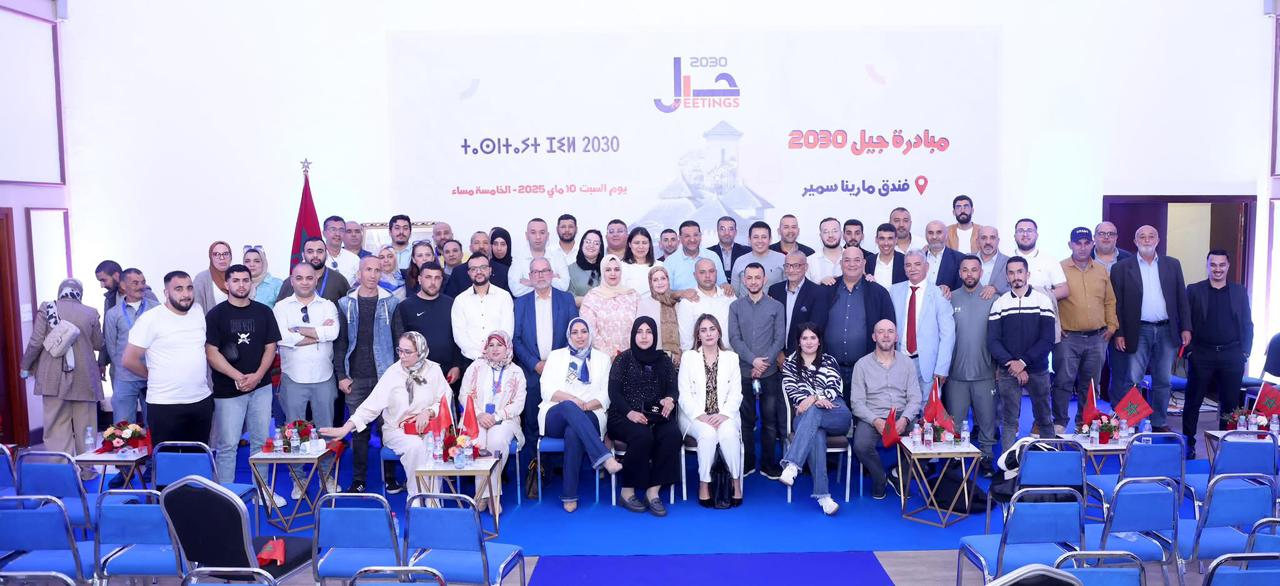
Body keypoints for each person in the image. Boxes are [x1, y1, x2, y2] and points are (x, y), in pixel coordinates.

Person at [319, 331, 451, 498]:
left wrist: (429, 411)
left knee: (431, 446)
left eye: (407, 352)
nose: (402, 356)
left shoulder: (434, 370)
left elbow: (445, 399)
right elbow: (370, 406)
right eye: (399, 350)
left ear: (421, 351)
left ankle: (432, 501)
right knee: (415, 446)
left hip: (428, 428)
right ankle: (417, 499)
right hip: (397, 430)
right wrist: (346, 428)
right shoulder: (392, 373)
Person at [204, 264, 281, 495]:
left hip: (261, 387)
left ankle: (262, 491)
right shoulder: (215, 315)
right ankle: (225, 494)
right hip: (228, 390)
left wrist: (257, 376)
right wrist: (238, 377)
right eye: (235, 280)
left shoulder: (264, 312)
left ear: (251, 283)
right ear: (226, 284)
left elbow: (271, 347)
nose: (241, 285)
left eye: (245, 280)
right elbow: (211, 352)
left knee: (261, 442)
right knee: (228, 445)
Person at [1110, 225, 1191, 431]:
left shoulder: (1172, 264)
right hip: (1136, 331)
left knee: (1163, 380)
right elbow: (1116, 304)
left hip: (1167, 330)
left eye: (1151, 236)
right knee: (1133, 380)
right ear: (1135, 242)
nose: (1147, 240)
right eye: (1142, 237)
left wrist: (1186, 327)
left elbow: (1181, 298)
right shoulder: (1121, 268)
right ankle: (1131, 423)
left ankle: (1159, 423)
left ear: (1158, 240)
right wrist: (1119, 332)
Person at [334, 256, 405, 492]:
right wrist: (342, 376)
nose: (373, 274)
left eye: (377, 270)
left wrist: (399, 377)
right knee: (358, 431)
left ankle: (391, 478)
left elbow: (399, 340)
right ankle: (359, 480)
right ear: (359, 273)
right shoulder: (345, 304)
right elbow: (340, 343)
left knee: (389, 428)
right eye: (368, 270)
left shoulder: (391, 303)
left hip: (386, 377)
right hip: (355, 378)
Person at [537, 318, 622, 512]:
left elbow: (606, 394)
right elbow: (546, 390)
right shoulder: (556, 356)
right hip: (556, 413)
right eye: (574, 332)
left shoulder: (602, 359)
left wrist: (584, 406)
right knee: (568, 407)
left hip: (591, 412)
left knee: (573, 432)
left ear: (590, 334)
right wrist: (573, 401)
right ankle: (604, 457)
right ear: (569, 335)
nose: (579, 336)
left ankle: (569, 495)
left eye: (583, 331)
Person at [273, 262, 342, 494]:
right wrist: (319, 333)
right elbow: (282, 338)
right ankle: (298, 479)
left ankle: (326, 476)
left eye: (309, 278)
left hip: (324, 377)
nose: (304, 282)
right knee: (294, 432)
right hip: (293, 377)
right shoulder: (281, 307)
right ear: (292, 280)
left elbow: (333, 333)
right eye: (299, 278)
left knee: (326, 430)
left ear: (316, 280)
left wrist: (298, 330)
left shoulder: (328, 305)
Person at [123, 271, 214, 446]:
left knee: (198, 458)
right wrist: (154, 375)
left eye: (189, 288)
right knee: (168, 459)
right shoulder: (150, 319)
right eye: (178, 289)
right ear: (166, 292)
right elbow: (129, 360)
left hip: (201, 401)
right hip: (165, 404)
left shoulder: (197, 311)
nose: (186, 294)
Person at [20, 279, 104, 470]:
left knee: (56, 426)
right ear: (80, 293)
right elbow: (98, 344)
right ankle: (87, 470)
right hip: (85, 378)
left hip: (53, 377)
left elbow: (36, 342)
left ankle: (63, 472)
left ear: (60, 292)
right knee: (87, 427)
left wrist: (26, 366)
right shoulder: (91, 312)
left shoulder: (47, 308)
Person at [607, 317, 681, 516]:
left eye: (649, 332)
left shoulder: (664, 360)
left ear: (655, 335)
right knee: (642, 435)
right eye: (640, 331)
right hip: (623, 415)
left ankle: (653, 491)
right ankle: (627, 491)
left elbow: (673, 389)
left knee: (672, 434)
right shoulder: (623, 359)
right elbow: (614, 393)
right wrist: (630, 413)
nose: (644, 336)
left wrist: (670, 399)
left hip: (654, 415)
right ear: (633, 335)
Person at [1184, 249, 1253, 458]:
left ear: (1228, 266)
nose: (1217, 269)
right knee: (1193, 401)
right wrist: (1190, 352)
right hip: (1202, 353)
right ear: (1207, 266)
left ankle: (1225, 444)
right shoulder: (1194, 290)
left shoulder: (1239, 291)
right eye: (1213, 265)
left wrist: (1245, 353)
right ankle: (1189, 443)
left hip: (1232, 354)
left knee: (1230, 403)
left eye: (1222, 265)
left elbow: (1247, 323)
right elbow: (1185, 321)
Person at [777, 323, 852, 514]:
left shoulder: (829, 360)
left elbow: (835, 387)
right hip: (804, 416)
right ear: (798, 342)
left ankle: (792, 464)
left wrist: (814, 398)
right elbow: (793, 392)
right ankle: (823, 496)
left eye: (813, 338)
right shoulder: (790, 364)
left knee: (815, 413)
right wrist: (814, 402)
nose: (809, 342)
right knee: (816, 432)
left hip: (835, 412)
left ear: (819, 341)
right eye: (804, 338)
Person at [988, 256, 1058, 452]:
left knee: (1044, 418)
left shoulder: (1043, 301)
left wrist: (1023, 362)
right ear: (1007, 276)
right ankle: (1008, 464)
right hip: (1008, 371)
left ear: (1028, 274)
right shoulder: (1000, 303)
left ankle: (1051, 461)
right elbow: (993, 341)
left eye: (1020, 272)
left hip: (1038, 370)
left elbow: (1047, 340)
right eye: (1011, 273)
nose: (1016, 276)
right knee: (1009, 420)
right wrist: (1013, 364)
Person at [512, 256, 579, 458]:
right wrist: (534, 364)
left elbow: (574, 335)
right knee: (532, 422)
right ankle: (535, 466)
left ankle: (557, 466)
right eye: (536, 272)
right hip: (532, 372)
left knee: (560, 421)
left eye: (544, 271)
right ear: (530, 276)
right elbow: (516, 339)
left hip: (560, 372)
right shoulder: (520, 303)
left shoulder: (566, 299)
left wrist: (555, 363)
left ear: (552, 274)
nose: (540, 275)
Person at [1053, 227, 1118, 433]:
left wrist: (1112, 326)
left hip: (1097, 338)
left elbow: (1110, 301)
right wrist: (1056, 326)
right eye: (1077, 243)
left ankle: (1084, 424)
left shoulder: (1101, 270)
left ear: (1092, 244)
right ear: (1070, 245)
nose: (1082, 247)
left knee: (1090, 385)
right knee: (1063, 382)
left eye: (1086, 243)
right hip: (1068, 338)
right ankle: (1059, 423)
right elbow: (1049, 300)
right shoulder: (1058, 268)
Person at [849, 319, 921, 499]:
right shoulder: (862, 365)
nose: (886, 335)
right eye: (881, 331)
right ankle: (880, 477)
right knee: (861, 445)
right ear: (874, 337)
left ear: (896, 337)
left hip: (902, 414)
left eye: (890, 331)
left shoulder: (907, 363)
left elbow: (915, 398)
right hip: (873, 415)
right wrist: (875, 420)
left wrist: (905, 419)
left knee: (927, 442)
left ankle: (897, 475)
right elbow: (856, 402)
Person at [678, 314, 744, 506]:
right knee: (707, 433)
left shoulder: (731, 358)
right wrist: (700, 415)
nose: (708, 334)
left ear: (719, 332)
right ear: (698, 335)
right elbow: (684, 394)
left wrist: (724, 414)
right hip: (694, 416)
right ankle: (704, 484)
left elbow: (736, 393)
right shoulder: (689, 357)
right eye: (703, 330)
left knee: (729, 433)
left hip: (725, 414)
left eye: (712, 329)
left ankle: (735, 482)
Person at [728, 263, 787, 478]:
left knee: (770, 422)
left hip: (769, 373)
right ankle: (748, 462)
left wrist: (763, 363)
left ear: (764, 280)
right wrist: (753, 361)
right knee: (746, 422)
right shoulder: (735, 307)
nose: (753, 281)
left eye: (757, 277)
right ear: (744, 280)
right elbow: (734, 338)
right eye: (749, 277)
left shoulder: (776, 307)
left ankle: (769, 464)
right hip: (744, 372)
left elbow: (779, 339)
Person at [459, 331, 526, 510]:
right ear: (486, 348)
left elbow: (518, 404)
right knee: (478, 442)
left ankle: (484, 494)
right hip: (476, 418)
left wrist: (496, 416)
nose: (495, 349)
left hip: (505, 420)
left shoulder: (517, 372)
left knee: (496, 442)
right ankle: (490, 495)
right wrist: (479, 414)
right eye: (491, 345)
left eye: (499, 345)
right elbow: (463, 395)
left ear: (507, 348)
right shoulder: (476, 367)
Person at [947, 256, 998, 473]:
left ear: (981, 273)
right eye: (965, 270)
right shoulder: (949, 298)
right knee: (955, 421)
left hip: (985, 373)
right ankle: (955, 455)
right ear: (960, 273)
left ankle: (986, 456)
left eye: (974, 270)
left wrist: (998, 367)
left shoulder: (993, 298)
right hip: (955, 374)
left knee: (987, 421)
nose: (970, 274)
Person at [825, 247, 896, 402]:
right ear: (841, 263)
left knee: (863, 414)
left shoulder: (879, 293)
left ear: (864, 263)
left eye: (857, 260)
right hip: (829, 371)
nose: (852, 264)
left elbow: (890, 331)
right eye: (847, 260)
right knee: (834, 414)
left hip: (868, 370)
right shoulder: (826, 290)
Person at [890, 250, 956, 397]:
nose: (912, 268)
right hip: (900, 361)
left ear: (926, 267)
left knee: (928, 408)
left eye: (917, 264)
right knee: (901, 405)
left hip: (928, 365)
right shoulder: (894, 291)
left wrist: (942, 368)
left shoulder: (939, 294)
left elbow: (948, 335)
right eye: (908, 265)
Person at [103, 268, 157, 426]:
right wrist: (124, 365)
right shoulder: (113, 314)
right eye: (135, 283)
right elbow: (112, 347)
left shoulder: (156, 309)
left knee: (155, 425)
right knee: (123, 427)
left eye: (143, 282)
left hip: (152, 375)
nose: (141, 286)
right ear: (123, 285)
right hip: (125, 377)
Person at [398, 262, 462, 389]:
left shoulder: (452, 304)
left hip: (449, 372)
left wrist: (457, 365)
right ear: (419, 279)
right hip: (418, 372)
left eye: (437, 278)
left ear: (442, 280)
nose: (433, 282)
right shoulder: (405, 306)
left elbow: (458, 336)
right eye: (428, 277)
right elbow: (400, 340)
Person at [451, 255, 515, 373]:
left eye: (483, 267)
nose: (479, 272)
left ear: (490, 270)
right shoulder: (460, 300)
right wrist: (479, 356)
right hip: (471, 361)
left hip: (500, 360)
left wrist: (494, 353)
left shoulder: (504, 296)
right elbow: (459, 335)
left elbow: (507, 331)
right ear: (468, 273)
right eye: (474, 269)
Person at [95, 260, 158, 377]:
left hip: (147, 366)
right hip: (120, 369)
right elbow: (107, 333)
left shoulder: (147, 295)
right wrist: (102, 362)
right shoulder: (110, 300)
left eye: (104, 280)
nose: (102, 285)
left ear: (116, 276)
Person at [770, 251, 830, 356]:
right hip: (776, 356)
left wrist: (791, 355)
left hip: (804, 356)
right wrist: (778, 352)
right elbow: (770, 326)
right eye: (787, 266)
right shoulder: (774, 290)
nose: (791, 270)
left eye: (796, 266)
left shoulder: (818, 293)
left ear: (806, 267)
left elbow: (815, 328)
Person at [579, 255, 640, 356]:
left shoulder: (632, 295)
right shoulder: (592, 297)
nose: (613, 273)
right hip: (602, 357)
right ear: (602, 272)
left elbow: (641, 326)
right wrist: (610, 354)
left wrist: (630, 353)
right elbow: (590, 330)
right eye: (608, 270)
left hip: (632, 355)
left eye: (617, 269)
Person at [675, 258, 736, 350]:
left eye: (711, 271)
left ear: (716, 273)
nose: (707, 276)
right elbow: (686, 340)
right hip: (699, 356)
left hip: (730, 355)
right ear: (695, 275)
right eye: (702, 272)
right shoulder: (687, 302)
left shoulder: (729, 296)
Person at [276, 237, 351, 304]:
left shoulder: (339, 280)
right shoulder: (291, 282)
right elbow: (279, 309)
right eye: (310, 251)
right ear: (303, 255)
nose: (315, 255)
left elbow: (349, 308)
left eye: (320, 251)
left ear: (326, 254)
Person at [1012, 218, 1070, 303]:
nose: (1025, 234)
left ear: (1037, 235)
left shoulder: (1049, 260)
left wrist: (1039, 298)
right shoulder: (1006, 259)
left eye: (1029, 230)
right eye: (1021, 231)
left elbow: (1064, 290)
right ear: (1014, 236)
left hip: (1041, 309)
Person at [510, 218, 571, 297]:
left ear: (547, 236)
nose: (538, 237)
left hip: (554, 303)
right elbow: (515, 290)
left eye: (542, 232)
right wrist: (551, 278)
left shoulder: (558, 256)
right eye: (533, 232)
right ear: (526, 235)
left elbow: (564, 287)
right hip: (529, 303)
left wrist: (531, 282)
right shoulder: (518, 258)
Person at [636, 266, 683, 362]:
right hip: (653, 357)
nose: (660, 282)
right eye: (655, 280)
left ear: (668, 280)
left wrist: (681, 352)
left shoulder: (678, 302)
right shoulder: (644, 304)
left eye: (663, 278)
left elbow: (684, 332)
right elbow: (640, 333)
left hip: (677, 357)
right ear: (650, 283)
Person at [666, 220, 728, 291]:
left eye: (695, 235)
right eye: (687, 236)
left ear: (700, 236)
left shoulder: (713, 256)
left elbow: (722, 284)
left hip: (711, 298)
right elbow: (666, 292)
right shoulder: (670, 261)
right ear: (680, 238)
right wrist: (682, 294)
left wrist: (726, 287)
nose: (692, 240)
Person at [730, 222, 785, 298]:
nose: (760, 241)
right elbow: (734, 293)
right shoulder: (740, 261)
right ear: (749, 239)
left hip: (774, 305)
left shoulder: (782, 259)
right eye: (756, 237)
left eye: (764, 237)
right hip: (745, 305)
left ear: (770, 239)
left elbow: (787, 289)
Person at [922, 220, 963, 295]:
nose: (934, 237)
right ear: (925, 235)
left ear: (946, 235)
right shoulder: (918, 258)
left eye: (939, 232)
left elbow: (961, 290)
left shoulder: (959, 259)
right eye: (930, 233)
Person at [193, 240, 233, 315]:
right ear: (211, 257)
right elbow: (196, 308)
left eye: (225, 254)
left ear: (231, 256)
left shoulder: (239, 275)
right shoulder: (201, 279)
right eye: (216, 254)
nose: (222, 258)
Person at [708, 216, 749, 284]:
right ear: (717, 231)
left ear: (735, 232)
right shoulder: (708, 253)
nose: (727, 233)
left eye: (731, 229)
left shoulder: (747, 252)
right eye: (722, 229)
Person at [620, 227, 661, 293]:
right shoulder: (621, 267)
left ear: (649, 244)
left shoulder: (659, 265)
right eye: (636, 243)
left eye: (644, 243)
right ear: (629, 244)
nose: (641, 247)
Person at [567, 229, 604, 304]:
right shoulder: (570, 269)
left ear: (600, 248)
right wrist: (590, 301)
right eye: (588, 242)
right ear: (582, 245)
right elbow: (567, 296)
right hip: (577, 311)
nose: (591, 246)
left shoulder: (606, 268)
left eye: (596, 243)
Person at [323, 215, 360, 283]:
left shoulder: (354, 259)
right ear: (324, 233)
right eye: (333, 229)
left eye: (341, 230)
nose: (337, 234)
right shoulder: (316, 258)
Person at [806, 217, 844, 285]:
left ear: (841, 233)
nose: (830, 235)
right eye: (826, 232)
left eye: (834, 231)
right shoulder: (809, 262)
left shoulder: (853, 258)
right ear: (820, 236)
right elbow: (805, 289)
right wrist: (820, 284)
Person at [976, 226, 1011, 295]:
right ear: (977, 241)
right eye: (983, 238)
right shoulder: (966, 259)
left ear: (998, 241)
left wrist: (996, 289)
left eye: (992, 238)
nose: (988, 242)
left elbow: (1015, 289)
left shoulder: (1009, 263)